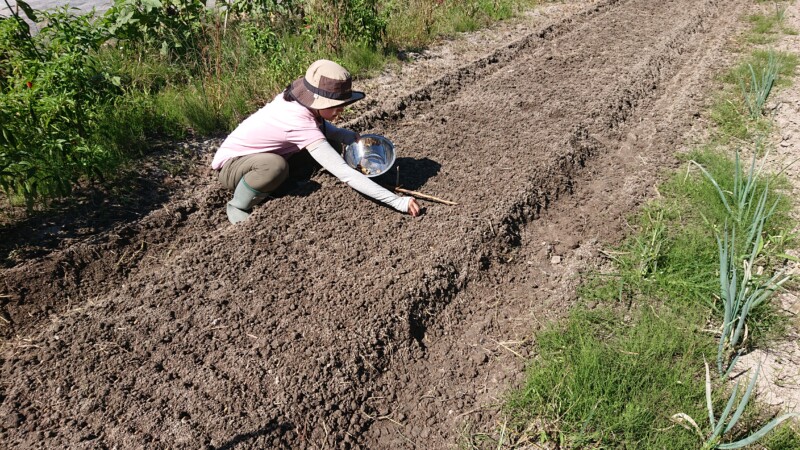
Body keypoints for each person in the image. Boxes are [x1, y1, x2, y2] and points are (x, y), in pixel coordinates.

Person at [211, 59, 421, 224]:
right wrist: (397, 201)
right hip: (233, 166)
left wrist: (341, 134)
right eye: (336, 106)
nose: (341, 111)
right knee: (275, 167)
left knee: (331, 144)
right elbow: (345, 173)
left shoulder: (301, 104)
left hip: (259, 157)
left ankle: (281, 184)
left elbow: (318, 125)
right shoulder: (296, 121)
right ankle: (239, 205)